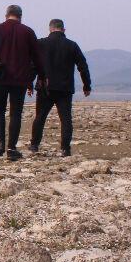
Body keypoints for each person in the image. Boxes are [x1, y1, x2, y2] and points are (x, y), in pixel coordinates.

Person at [0, 4, 46, 161]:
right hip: (19, 78)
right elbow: (37, 57)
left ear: (6, 15)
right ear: (20, 16)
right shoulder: (28, 31)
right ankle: (11, 148)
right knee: (15, 113)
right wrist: (42, 75)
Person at [29, 18, 91, 157]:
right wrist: (86, 85)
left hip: (45, 86)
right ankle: (65, 148)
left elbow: (33, 65)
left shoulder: (41, 43)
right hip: (65, 87)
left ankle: (34, 145)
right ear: (63, 29)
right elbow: (82, 66)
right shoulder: (72, 45)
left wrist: (29, 83)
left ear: (50, 29)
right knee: (66, 119)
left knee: (40, 117)